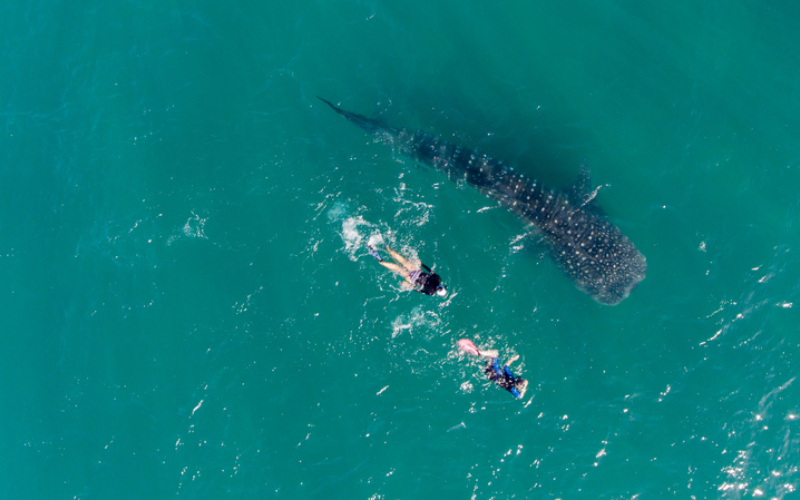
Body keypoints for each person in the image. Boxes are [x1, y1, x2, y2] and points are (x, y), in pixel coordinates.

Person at [458, 339, 528, 399]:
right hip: (490, 376)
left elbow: (505, 366)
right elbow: (520, 396)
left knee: (495, 353)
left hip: (493, 371)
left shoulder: (510, 377)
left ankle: (478, 352)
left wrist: (513, 359)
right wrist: (524, 388)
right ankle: (472, 351)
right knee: (488, 357)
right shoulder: (512, 389)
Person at [368, 244, 447, 297]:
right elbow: (419, 290)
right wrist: (409, 286)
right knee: (397, 268)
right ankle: (381, 261)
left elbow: (429, 271)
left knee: (401, 260)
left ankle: (387, 248)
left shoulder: (437, 279)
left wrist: (421, 264)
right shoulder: (430, 292)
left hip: (416, 271)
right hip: (413, 278)